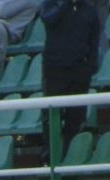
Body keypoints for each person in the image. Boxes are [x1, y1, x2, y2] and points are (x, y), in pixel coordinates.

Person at [39, 0, 100, 160]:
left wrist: (90, 66)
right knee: (51, 116)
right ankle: (50, 157)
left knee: (76, 117)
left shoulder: (89, 11)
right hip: (55, 70)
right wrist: (64, 4)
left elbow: (94, 41)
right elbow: (49, 20)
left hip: (80, 71)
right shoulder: (50, 5)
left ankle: (71, 157)